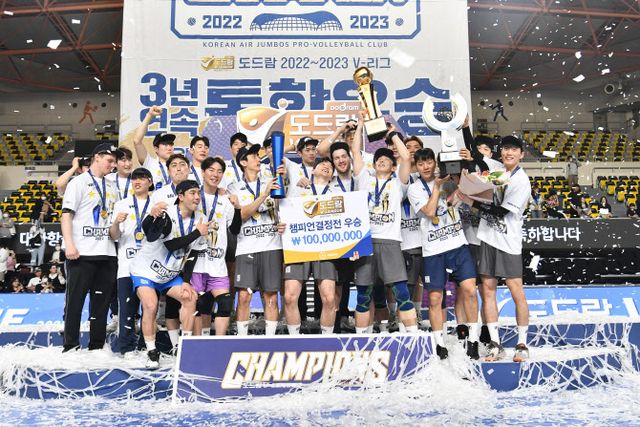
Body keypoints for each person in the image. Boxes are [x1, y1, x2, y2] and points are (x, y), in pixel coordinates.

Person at [457, 135, 531, 362]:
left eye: (514, 149)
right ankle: (495, 344)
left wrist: (471, 202)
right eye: (506, 149)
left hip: (508, 242)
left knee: (516, 292)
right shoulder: (498, 171)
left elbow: (500, 212)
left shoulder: (521, 180)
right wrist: (466, 128)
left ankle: (522, 344)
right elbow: (477, 158)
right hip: (488, 239)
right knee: (488, 292)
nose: (509, 153)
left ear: (521, 154)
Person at [408, 148, 480, 360]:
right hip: (433, 251)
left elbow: (473, 190)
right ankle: (439, 344)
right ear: (416, 167)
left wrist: (467, 165)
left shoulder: (451, 180)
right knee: (435, 298)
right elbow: (430, 212)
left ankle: (473, 339)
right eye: (421, 164)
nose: (426, 167)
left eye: (429, 162)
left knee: (469, 290)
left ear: (435, 162)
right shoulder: (414, 189)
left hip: (458, 245)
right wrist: (437, 188)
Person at [351, 114, 418, 334]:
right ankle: (361, 340)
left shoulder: (398, 183)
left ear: (392, 166)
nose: (381, 160)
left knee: (401, 293)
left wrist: (392, 134)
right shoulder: (364, 179)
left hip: (390, 241)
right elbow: (355, 152)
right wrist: (361, 126)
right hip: (366, 242)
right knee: (363, 295)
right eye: (378, 158)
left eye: (387, 159)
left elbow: (406, 157)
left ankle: (412, 336)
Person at [130, 180, 207, 368]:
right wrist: (197, 233)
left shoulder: (201, 218)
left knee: (190, 298)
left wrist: (186, 281)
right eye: (192, 193)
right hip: (146, 271)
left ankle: (183, 347)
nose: (197, 197)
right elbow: (170, 245)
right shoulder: (167, 214)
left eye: (198, 193)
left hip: (170, 275)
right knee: (150, 305)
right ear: (180, 196)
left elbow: (194, 253)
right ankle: (152, 352)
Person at [61, 142, 118, 352]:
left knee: (101, 305)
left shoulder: (112, 186)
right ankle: (71, 345)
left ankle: (97, 346)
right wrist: (69, 244)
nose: (112, 165)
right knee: (75, 302)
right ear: (97, 157)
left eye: (114, 162)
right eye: (109, 160)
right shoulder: (78, 183)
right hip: (81, 253)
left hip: (107, 252)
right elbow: (66, 215)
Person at [227, 144, 284, 336]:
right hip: (246, 248)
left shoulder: (272, 181)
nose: (258, 159)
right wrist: (264, 194)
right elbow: (242, 215)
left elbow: (281, 208)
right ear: (243, 162)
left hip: (272, 246)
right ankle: (242, 340)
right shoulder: (234, 188)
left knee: (271, 296)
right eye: (253, 156)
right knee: (244, 296)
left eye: (258, 156)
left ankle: (270, 340)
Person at [282, 157, 339, 335]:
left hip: (326, 250)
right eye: (322, 164)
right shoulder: (297, 190)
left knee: (329, 299)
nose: (326, 166)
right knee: (290, 297)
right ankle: (294, 339)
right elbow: (284, 214)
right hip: (299, 248)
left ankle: (327, 339)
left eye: (330, 166)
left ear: (333, 175)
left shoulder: (338, 194)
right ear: (312, 171)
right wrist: (281, 225)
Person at [191, 157, 242, 336]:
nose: (215, 174)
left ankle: (220, 343)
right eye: (211, 170)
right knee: (200, 305)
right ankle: (199, 343)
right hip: (195, 263)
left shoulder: (225, 200)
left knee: (225, 303)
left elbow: (234, 229)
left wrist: (237, 208)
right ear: (203, 172)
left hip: (217, 262)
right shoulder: (193, 196)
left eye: (219, 171)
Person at [109, 167, 154, 356]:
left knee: (149, 308)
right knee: (127, 309)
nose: (137, 181)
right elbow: (114, 236)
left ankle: (145, 346)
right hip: (127, 265)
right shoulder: (122, 204)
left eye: (142, 178)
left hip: (150, 267)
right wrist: (116, 223)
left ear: (150, 182)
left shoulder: (156, 204)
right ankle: (126, 348)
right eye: (135, 178)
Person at [133, 105, 175, 190]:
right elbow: (137, 141)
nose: (169, 147)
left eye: (171, 144)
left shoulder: (178, 166)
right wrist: (149, 115)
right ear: (156, 149)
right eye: (165, 144)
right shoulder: (150, 163)